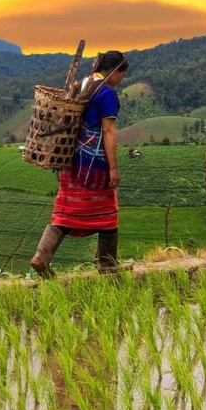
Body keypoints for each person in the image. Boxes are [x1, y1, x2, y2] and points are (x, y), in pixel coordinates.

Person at [31, 51, 127, 276]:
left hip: (70, 160)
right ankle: (107, 264)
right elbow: (108, 130)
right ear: (116, 70)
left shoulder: (84, 83)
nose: (121, 80)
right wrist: (113, 167)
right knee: (107, 211)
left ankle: (41, 256)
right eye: (122, 74)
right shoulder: (106, 93)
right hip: (94, 164)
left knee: (67, 208)